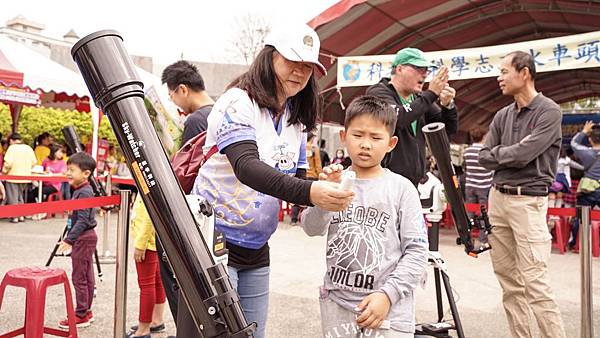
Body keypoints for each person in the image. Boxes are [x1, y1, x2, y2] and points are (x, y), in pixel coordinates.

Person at [190, 22, 354, 338]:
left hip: (257, 245)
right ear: (270, 56)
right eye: (292, 60)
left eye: (308, 66)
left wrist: (324, 182)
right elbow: (247, 167)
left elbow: (295, 178)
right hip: (213, 240)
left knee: (253, 334)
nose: (300, 72)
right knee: (222, 334)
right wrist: (310, 191)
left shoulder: (296, 118)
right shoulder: (237, 102)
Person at [301, 95, 428, 337]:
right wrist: (324, 197)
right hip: (338, 305)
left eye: (376, 137)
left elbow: (417, 251)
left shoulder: (401, 189)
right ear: (343, 136)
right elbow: (310, 227)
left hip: (388, 309)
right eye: (358, 135)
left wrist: (387, 295)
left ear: (391, 143)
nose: (366, 144)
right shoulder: (334, 181)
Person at [478, 51, 566, 338]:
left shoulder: (549, 111)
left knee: (535, 283)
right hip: (498, 199)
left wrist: (501, 155)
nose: (498, 77)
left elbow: (524, 155)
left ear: (524, 72)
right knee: (509, 283)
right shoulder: (502, 115)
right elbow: (483, 156)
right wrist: (509, 155)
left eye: (504, 71)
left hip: (528, 201)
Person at [366, 47, 458, 186]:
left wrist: (448, 105)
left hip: (413, 184)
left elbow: (447, 130)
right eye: (419, 69)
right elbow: (398, 119)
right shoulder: (378, 92)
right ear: (399, 69)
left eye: (426, 70)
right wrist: (431, 94)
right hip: (384, 183)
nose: (425, 74)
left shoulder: (419, 100)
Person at [56, 152, 98, 329]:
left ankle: (81, 314)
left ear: (86, 173)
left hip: (82, 238)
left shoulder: (84, 192)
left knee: (79, 277)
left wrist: (69, 240)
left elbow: (82, 220)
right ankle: (86, 310)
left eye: (72, 170)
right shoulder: (82, 191)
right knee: (86, 276)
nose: (68, 173)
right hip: (86, 237)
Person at [126, 197, 168, 338]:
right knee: (156, 282)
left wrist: (140, 244)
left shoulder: (146, 180)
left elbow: (149, 216)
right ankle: (157, 320)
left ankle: (143, 329)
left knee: (146, 285)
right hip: (154, 240)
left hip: (147, 242)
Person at [161, 60, 215, 146]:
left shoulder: (195, 121)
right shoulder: (221, 113)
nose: (173, 101)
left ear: (183, 90)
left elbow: (184, 159)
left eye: (171, 96)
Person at [568, 121, 600, 249]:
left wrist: (584, 132)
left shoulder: (586, 152)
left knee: (580, 217)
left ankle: (574, 243)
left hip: (587, 189)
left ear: (590, 140)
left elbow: (573, 143)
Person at [2, 133, 37, 223]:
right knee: (20, 196)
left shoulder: (12, 148)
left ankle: (15, 217)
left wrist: (4, 172)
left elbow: (8, 163)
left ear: (11, 140)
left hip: (12, 176)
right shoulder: (28, 148)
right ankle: (21, 215)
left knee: (13, 196)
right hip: (25, 176)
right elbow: (34, 162)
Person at [291, 133, 323, 223]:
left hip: (301, 175)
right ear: (311, 138)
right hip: (312, 176)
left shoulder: (300, 147)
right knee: (310, 199)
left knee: (297, 197)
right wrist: (320, 176)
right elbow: (318, 164)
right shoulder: (314, 149)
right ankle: (305, 220)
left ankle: (293, 219)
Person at [464, 127, 493, 207]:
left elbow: (465, 168)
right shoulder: (486, 152)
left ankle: (470, 220)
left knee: (470, 209)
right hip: (484, 186)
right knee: (483, 211)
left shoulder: (467, 151)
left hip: (470, 185)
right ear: (484, 137)